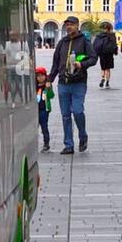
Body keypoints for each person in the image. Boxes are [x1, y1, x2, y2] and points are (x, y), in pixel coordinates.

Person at [46, 15, 96, 155]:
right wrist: (50, 79)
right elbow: (56, 63)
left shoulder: (84, 42)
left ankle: (82, 135)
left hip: (78, 82)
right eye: (67, 24)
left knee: (78, 111)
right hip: (63, 83)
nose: (69, 27)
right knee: (66, 115)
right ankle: (68, 144)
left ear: (77, 25)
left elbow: (93, 58)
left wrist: (82, 64)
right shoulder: (62, 43)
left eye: (71, 24)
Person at [92, 21, 118, 88]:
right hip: (109, 53)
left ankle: (103, 77)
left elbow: (95, 45)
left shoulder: (99, 36)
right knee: (108, 68)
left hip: (101, 54)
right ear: (109, 28)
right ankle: (107, 82)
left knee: (103, 68)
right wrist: (115, 51)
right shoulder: (112, 35)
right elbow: (114, 45)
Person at [35, 66, 54, 152]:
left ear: (45, 76)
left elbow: (51, 96)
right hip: (35, 110)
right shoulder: (34, 86)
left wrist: (48, 89)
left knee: (44, 126)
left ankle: (46, 143)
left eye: (42, 75)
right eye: (38, 76)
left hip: (44, 109)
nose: (40, 77)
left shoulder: (47, 86)